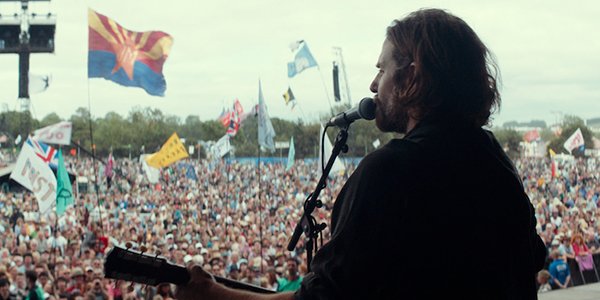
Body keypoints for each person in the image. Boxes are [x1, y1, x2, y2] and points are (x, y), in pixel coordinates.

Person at [175, 8, 547, 299]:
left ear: (412, 77)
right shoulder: (494, 159)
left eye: (381, 69)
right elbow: (529, 260)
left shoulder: (391, 170)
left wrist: (211, 293)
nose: (373, 84)